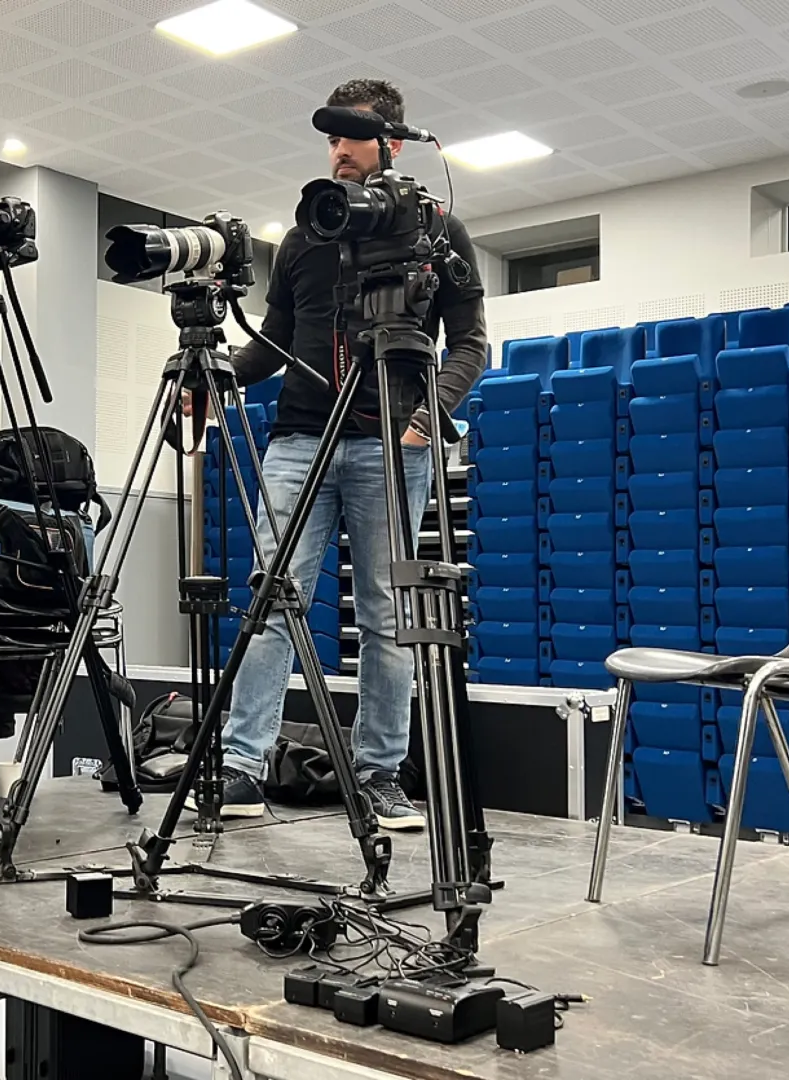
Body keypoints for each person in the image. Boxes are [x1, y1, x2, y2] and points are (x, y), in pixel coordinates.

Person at [199, 78, 489, 829]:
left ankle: (380, 775)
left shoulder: (438, 231)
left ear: (390, 143)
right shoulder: (306, 235)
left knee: (388, 616)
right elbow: (274, 343)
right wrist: (216, 373)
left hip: (393, 445)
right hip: (299, 440)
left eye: (350, 138)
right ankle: (241, 768)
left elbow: (471, 344)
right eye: (330, 140)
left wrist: (428, 415)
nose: (337, 152)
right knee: (272, 599)